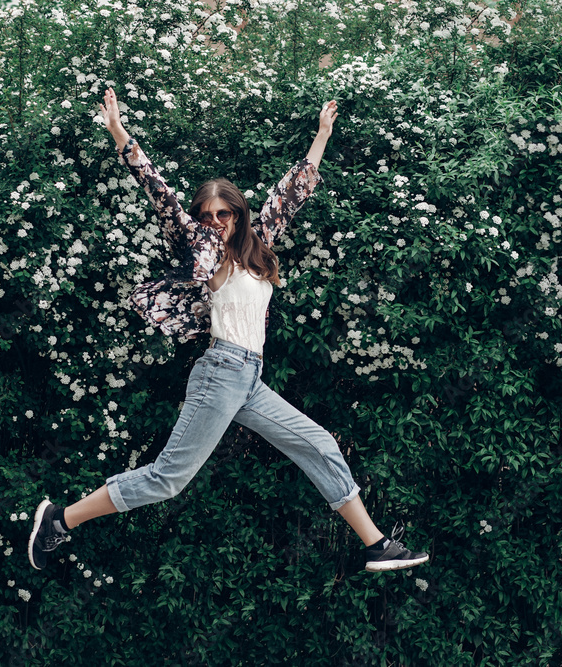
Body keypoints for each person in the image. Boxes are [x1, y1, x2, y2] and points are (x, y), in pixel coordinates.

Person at [28, 88, 427, 573]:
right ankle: (59, 521)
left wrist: (322, 135)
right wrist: (118, 132)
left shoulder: (259, 249)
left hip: (250, 378)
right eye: (207, 215)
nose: (215, 222)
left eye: (224, 213)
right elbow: (158, 189)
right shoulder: (200, 247)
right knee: (168, 479)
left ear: (238, 213)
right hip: (220, 371)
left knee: (319, 444)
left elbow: (294, 189)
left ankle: (376, 546)